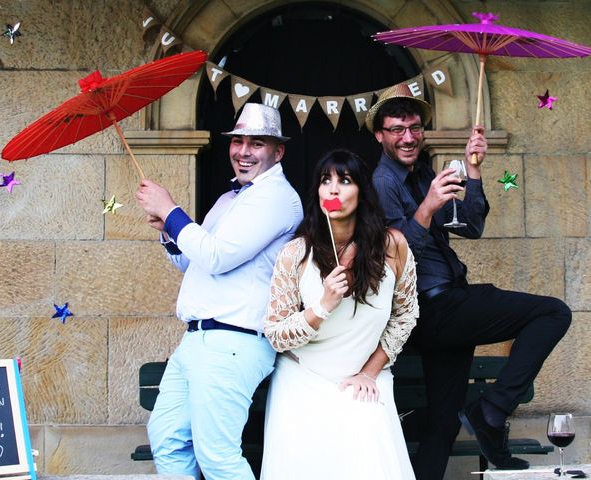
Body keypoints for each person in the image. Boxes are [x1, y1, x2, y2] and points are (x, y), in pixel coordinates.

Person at [367, 84, 571, 480]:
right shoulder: (382, 183)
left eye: (413, 127)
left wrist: (473, 168)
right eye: (396, 129)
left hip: (446, 313)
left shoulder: (423, 173)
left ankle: (485, 419)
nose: (408, 137)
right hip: (429, 310)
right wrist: (426, 208)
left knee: (443, 425)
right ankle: (491, 411)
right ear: (379, 134)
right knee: (552, 312)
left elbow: (471, 227)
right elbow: (393, 263)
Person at [135, 103, 303, 480]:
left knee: (217, 456)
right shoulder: (229, 199)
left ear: (278, 152)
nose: (243, 151)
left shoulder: (277, 197)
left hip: (234, 340)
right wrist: (168, 228)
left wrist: (171, 208)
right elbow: (193, 264)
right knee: (166, 440)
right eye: (238, 141)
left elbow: (216, 256)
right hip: (196, 340)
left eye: (256, 143)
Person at [260, 149, 420, 480]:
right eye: (325, 181)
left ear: (361, 192)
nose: (333, 190)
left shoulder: (394, 246)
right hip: (303, 378)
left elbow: (405, 316)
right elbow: (276, 334)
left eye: (344, 181)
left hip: (364, 380)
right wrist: (322, 306)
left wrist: (369, 372)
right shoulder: (295, 254)